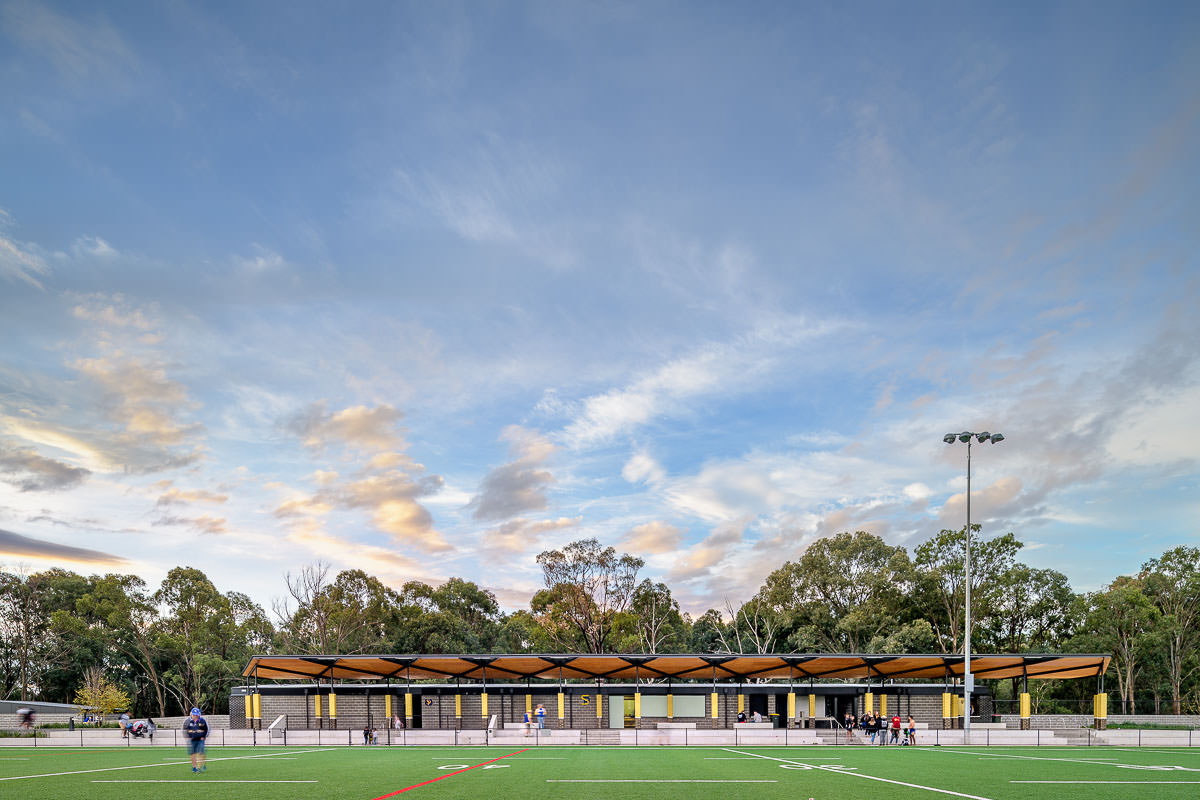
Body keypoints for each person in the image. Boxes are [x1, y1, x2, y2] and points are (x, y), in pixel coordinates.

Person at [183, 707, 210, 773]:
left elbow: (207, 730)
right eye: (194, 714)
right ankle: (194, 767)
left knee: (201, 753)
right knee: (193, 754)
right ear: (191, 714)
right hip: (192, 740)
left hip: (200, 740)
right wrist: (188, 736)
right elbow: (185, 730)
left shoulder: (203, 721)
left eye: (196, 714)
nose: (195, 716)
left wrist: (204, 736)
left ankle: (199, 768)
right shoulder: (188, 721)